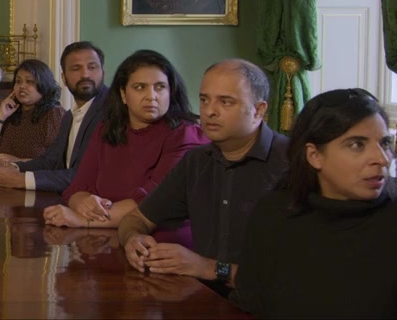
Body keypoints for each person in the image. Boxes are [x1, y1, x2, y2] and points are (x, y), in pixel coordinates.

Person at [232, 88, 397, 318]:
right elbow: (249, 306)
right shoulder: (272, 213)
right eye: (357, 145)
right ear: (314, 156)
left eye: (384, 143)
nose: (381, 159)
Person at [119, 59, 289, 296]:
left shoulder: (292, 164)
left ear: (258, 110)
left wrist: (208, 268)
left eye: (225, 101)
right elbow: (136, 218)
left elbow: (300, 278)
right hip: (205, 301)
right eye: (204, 99)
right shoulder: (196, 161)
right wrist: (133, 239)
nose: (209, 111)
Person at [43, 49, 207, 234]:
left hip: (160, 241)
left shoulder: (186, 135)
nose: (151, 96)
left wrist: (83, 219)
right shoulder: (106, 130)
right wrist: (84, 203)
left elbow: (155, 201)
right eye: (140, 87)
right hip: (103, 237)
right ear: (123, 94)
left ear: (171, 91)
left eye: (160, 87)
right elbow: (78, 186)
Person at [0, 41, 110, 193]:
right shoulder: (69, 116)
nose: (85, 74)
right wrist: (15, 167)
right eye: (76, 68)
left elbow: (86, 175)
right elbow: (51, 161)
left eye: (92, 67)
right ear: (64, 78)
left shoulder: (111, 112)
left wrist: (21, 179)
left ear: (103, 73)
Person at [0, 59, 65, 160]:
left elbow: (58, 161)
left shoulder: (54, 114)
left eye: (29, 81)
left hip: (29, 171)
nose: (22, 86)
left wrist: (20, 162)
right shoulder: (12, 111)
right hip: (2, 170)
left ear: (44, 85)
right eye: (18, 81)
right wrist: (0, 117)